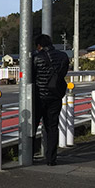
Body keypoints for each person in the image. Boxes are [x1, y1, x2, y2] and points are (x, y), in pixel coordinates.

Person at [31, 33, 70, 166]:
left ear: (39, 45)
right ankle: (51, 159)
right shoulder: (63, 56)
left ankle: (29, 155)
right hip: (55, 96)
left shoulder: (36, 58)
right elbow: (63, 74)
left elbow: (31, 77)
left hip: (39, 97)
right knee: (52, 127)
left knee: (33, 126)